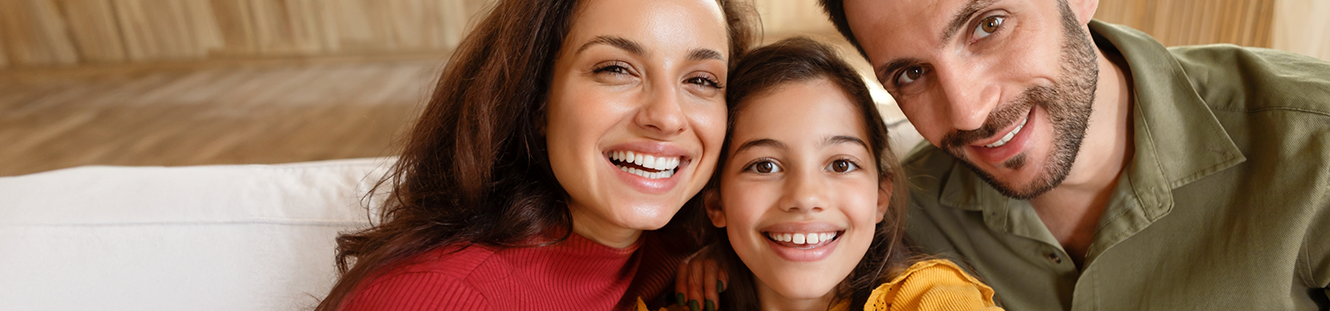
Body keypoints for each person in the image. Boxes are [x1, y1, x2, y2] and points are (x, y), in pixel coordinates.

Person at [812, 0, 1330, 309]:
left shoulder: (1313, 144)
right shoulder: (897, 215)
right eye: (911, 74)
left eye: (988, 25)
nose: (968, 113)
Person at [312, 0, 757, 310]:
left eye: (701, 80)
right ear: (536, 100)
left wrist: (732, 255)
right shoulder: (434, 296)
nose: (666, 116)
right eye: (615, 69)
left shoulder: (696, 255)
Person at [656, 37, 1002, 311]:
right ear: (716, 203)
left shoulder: (933, 300)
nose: (805, 198)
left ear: (881, 195)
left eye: (840, 164)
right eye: (765, 166)